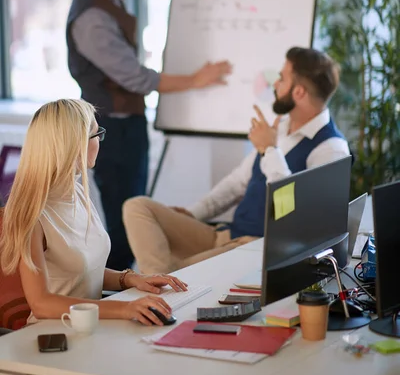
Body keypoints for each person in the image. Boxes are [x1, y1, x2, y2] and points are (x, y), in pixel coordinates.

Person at [66, 0, 232, 271]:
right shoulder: (91, 20)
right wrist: (197, 79)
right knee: (124, 222)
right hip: (110, 130)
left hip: (129, 124)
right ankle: (115, 297)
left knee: (132, 210)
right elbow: (139, 79)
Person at [122, 47, 351, 275]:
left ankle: (159, 286)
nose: (275, 84)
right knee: (137, 207)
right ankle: (160, 284)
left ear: (299, 92)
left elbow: (291, 216)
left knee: (170, 274)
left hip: (255, 248)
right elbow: (238, 182)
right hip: (225, 236)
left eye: (281, 78)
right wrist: (193, 214)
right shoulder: (280, 127)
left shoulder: (330, 149)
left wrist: (270, 150)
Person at [0, 99, 188, 327]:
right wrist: (124, 308)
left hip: (90, 325)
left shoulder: (77, 191)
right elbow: (41, 303)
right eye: (95, 134)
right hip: (53, 333)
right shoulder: (34, 215)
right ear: (73, 144)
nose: (99, 140)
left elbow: (81, 271)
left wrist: (130, 278)